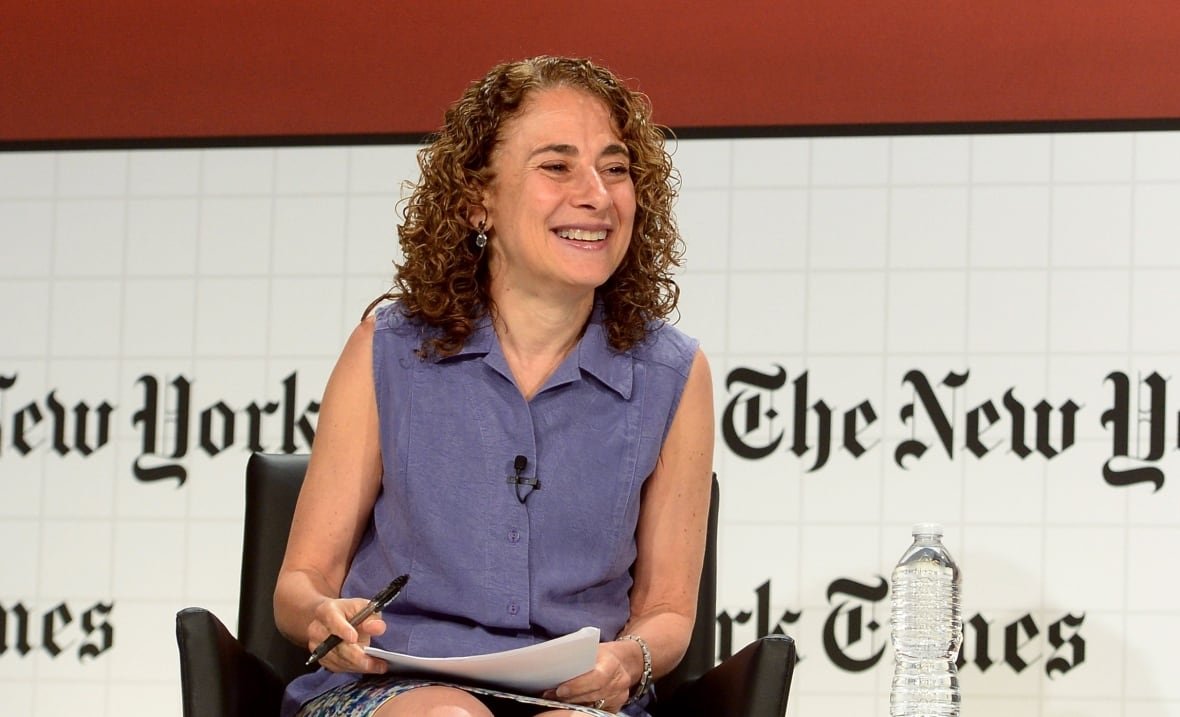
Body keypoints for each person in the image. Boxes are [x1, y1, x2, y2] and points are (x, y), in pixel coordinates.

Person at [274, 55, 714, 717]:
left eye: (615, 167)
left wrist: (629, 658)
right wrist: (324, 618)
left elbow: (669, 609)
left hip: (576, 700)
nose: (596, 193)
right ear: (480, 200)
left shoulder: (675, 372)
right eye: (557, 166)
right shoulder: (387, 347)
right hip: (391, 691)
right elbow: (299, 586)